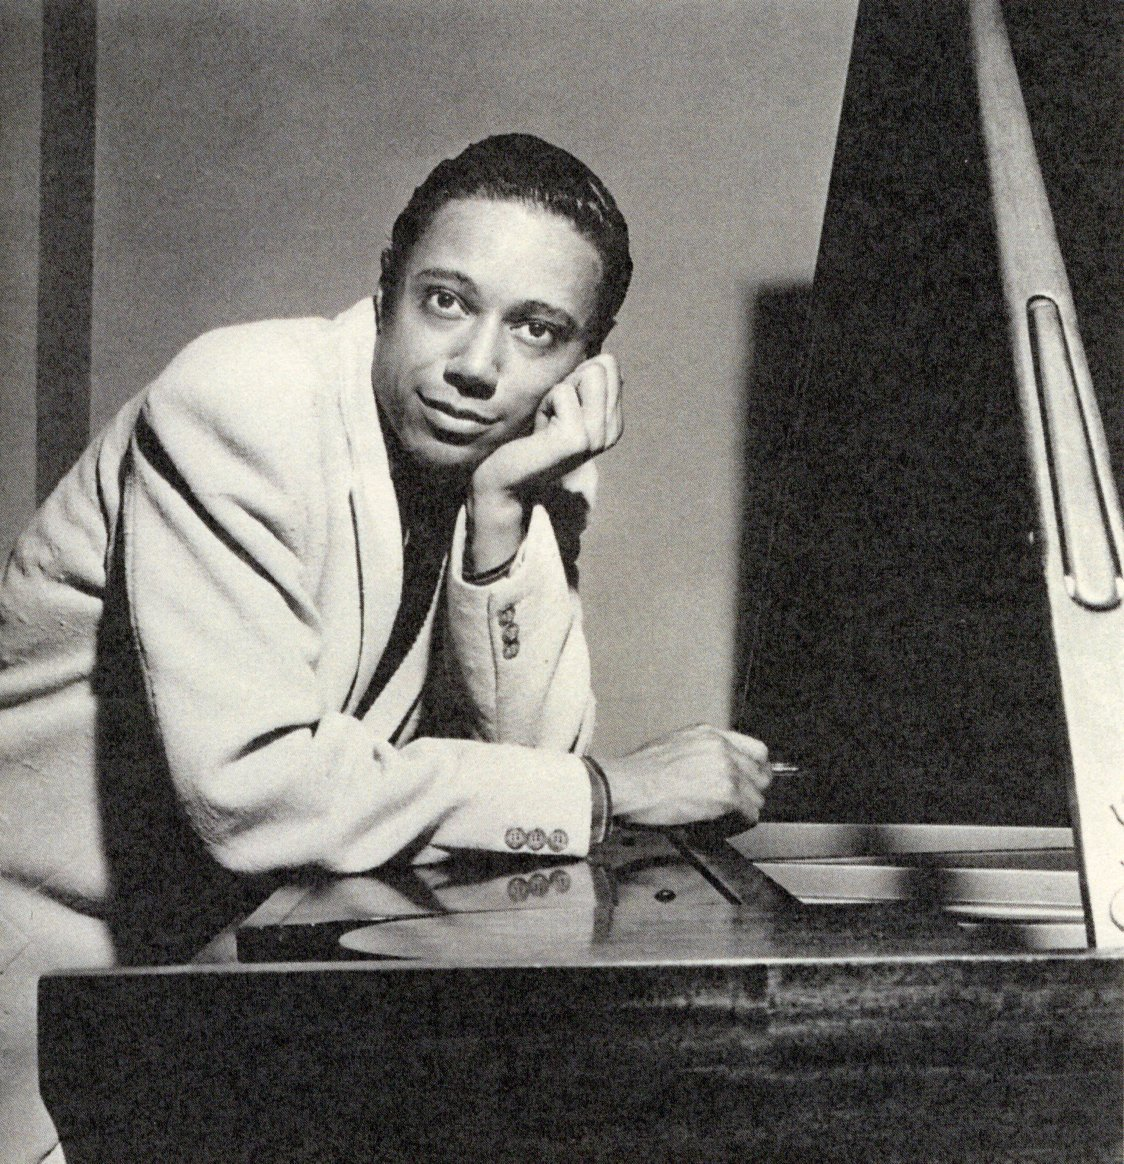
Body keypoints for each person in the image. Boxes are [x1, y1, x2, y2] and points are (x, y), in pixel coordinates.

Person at [0, 134, 770, 1160]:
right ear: (385, 289)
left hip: (211, 990)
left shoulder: (520, 461)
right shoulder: (241, 400)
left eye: (536, 329)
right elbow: (257, 790)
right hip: (35, 984)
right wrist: (609, 791)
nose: (476, 367)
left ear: (582, 364)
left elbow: (525, 781)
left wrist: (501, 516)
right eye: (446, 301)